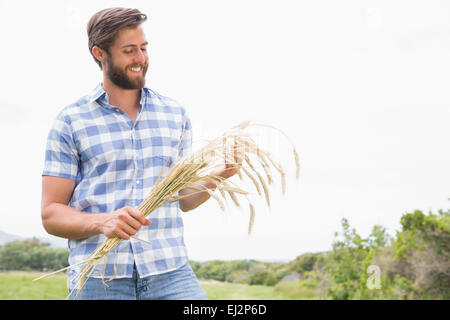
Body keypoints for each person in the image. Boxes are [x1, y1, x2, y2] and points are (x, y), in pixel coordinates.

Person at [41, 7, 240, 300]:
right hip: (101, 279)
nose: (140, 59)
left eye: (144, 48)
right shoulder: (71, 121)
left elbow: (183, 198)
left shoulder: (175, 114)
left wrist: (218, 176)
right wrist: (103, 222)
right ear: (100, 53)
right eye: (129, 50)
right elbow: (51, 214)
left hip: (171, 275)